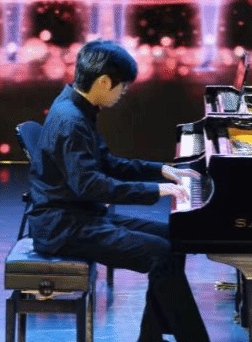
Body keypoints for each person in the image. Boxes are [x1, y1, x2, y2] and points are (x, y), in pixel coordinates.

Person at [27, 40, 210, 342]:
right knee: (161, 254)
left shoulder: (77, 105)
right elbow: (90, 186)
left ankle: (151, 337)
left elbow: (108, 163)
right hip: (63, 228)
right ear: (104, 81)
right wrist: (156, 191)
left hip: (81, 216)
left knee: (175, 239)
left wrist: (160, 170)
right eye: (122, 86)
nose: (124, 92)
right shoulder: (71, 121)